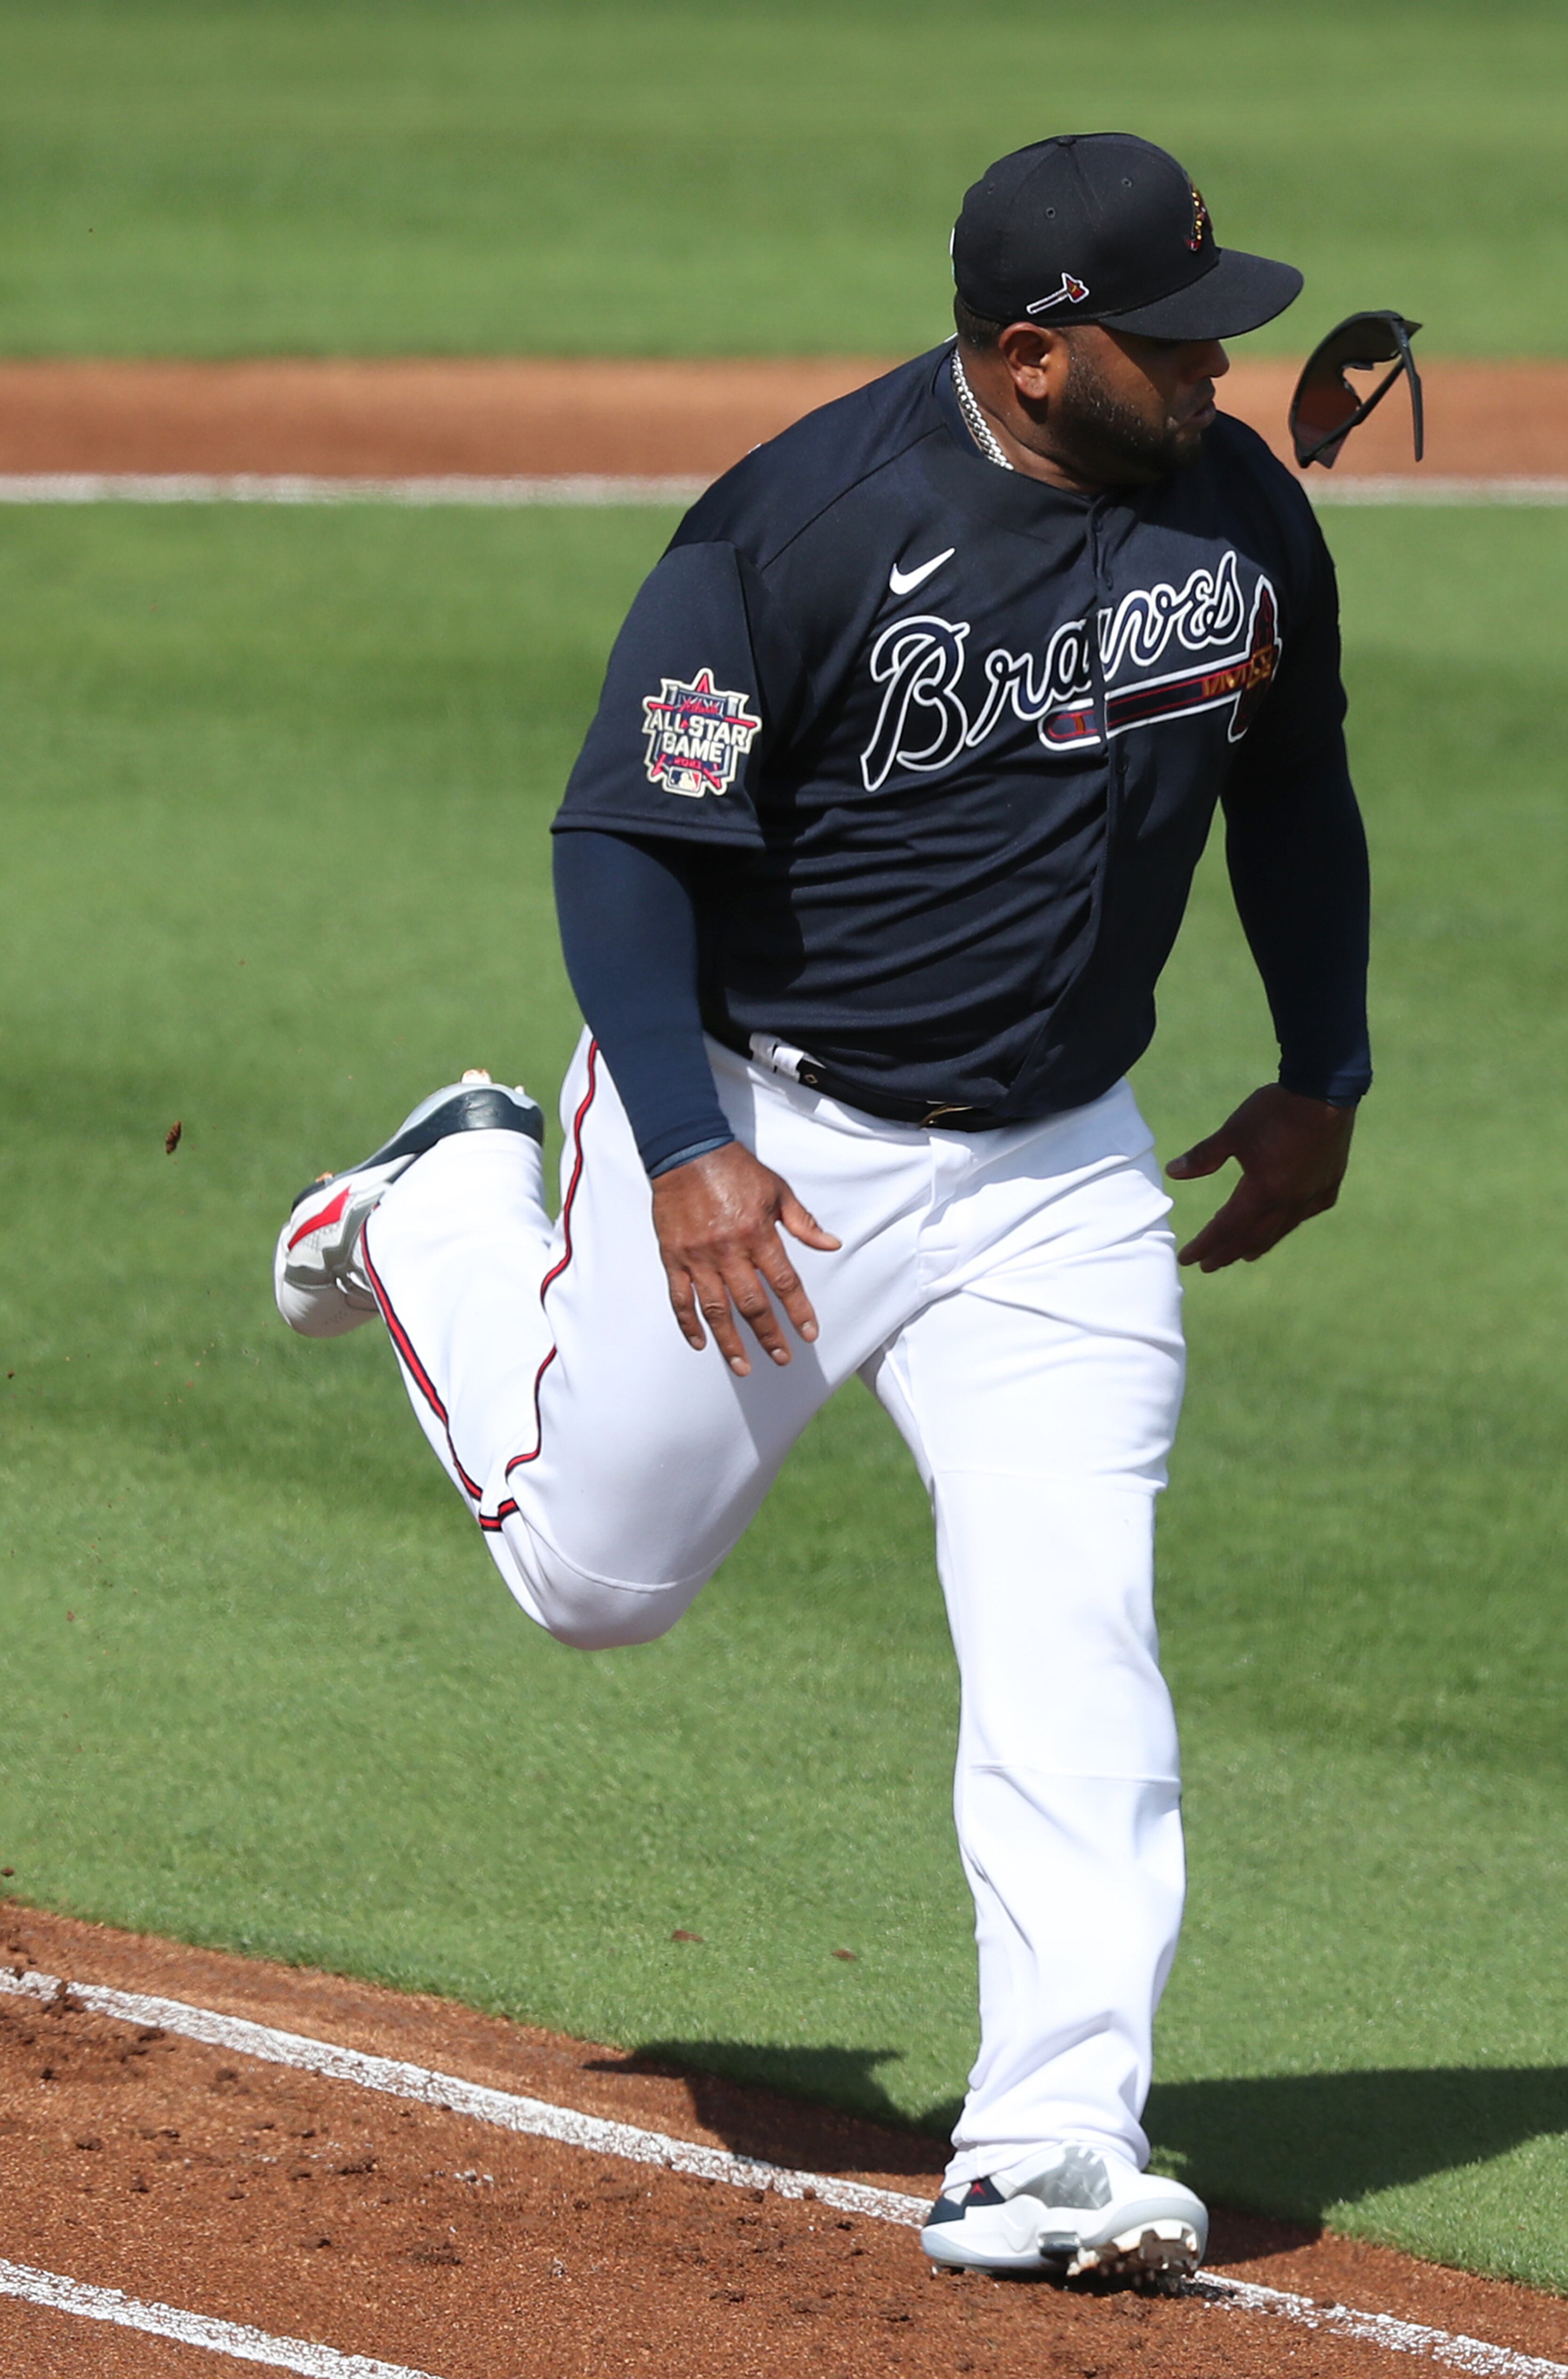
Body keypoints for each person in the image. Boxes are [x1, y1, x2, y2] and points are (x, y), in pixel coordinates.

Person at [272, 132, 1370, 2283]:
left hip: (1060, 1172)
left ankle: (1053, 2130)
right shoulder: (797, 529)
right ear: (1038, 352)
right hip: (776, 1137)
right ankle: (439, 1201)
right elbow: (623, 845)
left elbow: (1298, 774)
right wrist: (679, 1144)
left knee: (1077, 1625)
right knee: (601, 1579)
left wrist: (1324, 1063)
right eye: (1172, 342)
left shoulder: (1233, 514)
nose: (1217, 376)